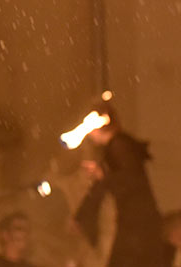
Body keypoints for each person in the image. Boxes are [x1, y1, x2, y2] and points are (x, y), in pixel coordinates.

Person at [72, 102, 167, 267]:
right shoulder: (116, 148)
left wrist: (103, 175)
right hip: (135, 224)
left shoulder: (119, 145)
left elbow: (130, 180)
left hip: (138, 226)